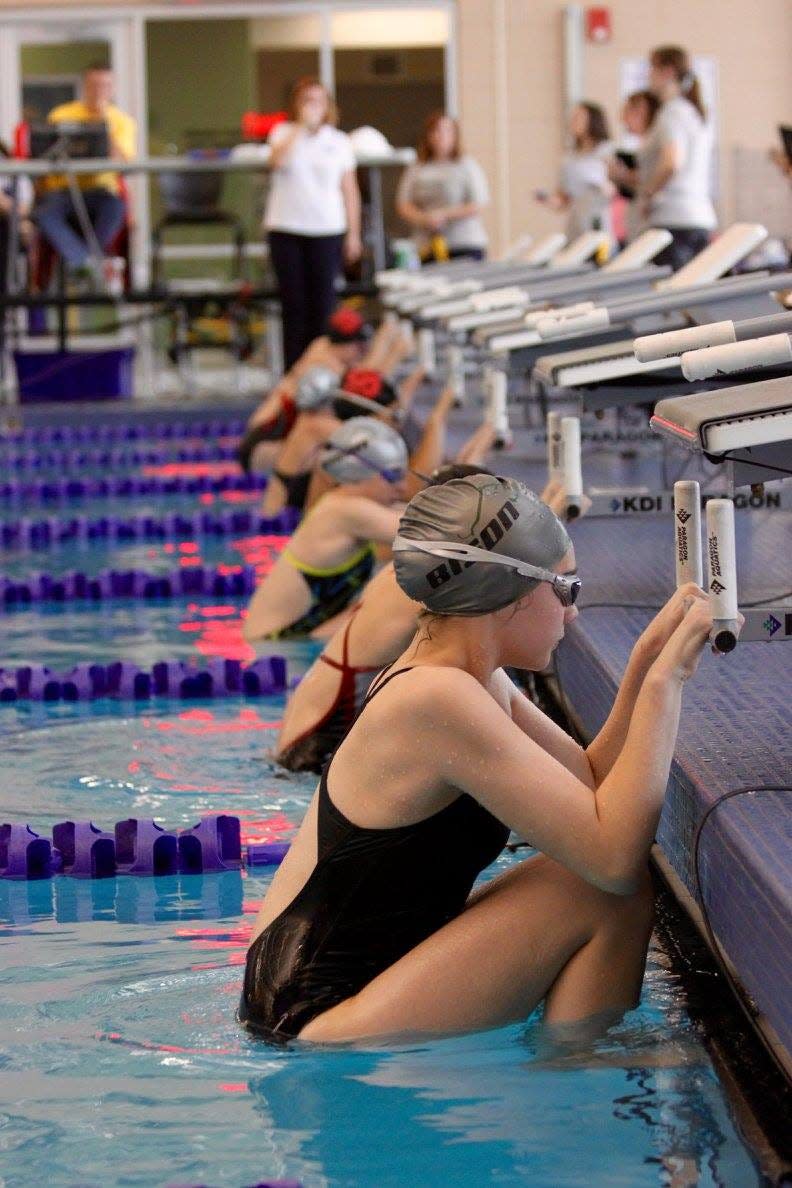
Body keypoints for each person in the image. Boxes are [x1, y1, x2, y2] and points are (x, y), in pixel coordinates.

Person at [240, 472, 726, 1046]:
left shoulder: (470, 678)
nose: (573, 612)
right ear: (512, 595)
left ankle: (577, 1061)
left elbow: (589, 781)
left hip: (330, 983)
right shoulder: (434, 698)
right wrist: (666, 684)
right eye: (566, 587)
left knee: (593, 885)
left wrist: (647, 657)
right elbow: (615, 856)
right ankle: (577, 1074)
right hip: (311, 1011)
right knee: (602, 889)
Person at [242, 417, 409, 641]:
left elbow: (419, 514)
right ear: (359, 472)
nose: (402, 486)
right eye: (393, 476)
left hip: (295, 641)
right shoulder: (343, 511)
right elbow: (425, 531)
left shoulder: (348, 505)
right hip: (275, 649)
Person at [265, 78, 362, 369]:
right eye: (306, 100)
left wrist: (354, 234)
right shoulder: (282, 133)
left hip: (326, 230)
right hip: (286, 228)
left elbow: (350, 190)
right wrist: (299, 128)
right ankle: (292, 373)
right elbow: (275, 162)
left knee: (323, 306)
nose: (313, 106)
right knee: (294, 306)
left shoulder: (339, 142)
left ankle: (320, 369)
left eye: (318, 101)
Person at [237, 311, 406, 477]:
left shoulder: (323, 346)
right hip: (263, 447)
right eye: (360, 346)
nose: (363, 352)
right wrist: (394, 350)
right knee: (346, 464)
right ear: (343, 344)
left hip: (268, 440)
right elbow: (370, 380)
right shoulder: (324, 367)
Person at [33, 64, 135, 284]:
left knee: (116, 205)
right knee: (43, 212)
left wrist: (103, 125)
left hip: (101, 193)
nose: (99, 90)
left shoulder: (121, 121)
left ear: (113, 88)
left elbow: (125, 163)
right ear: (85, 87)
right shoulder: (61, 115)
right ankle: (85, 261)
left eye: (105, 85)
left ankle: (88, 260)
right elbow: (45, 154)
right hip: (62, 192)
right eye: (94, 85)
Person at [636, 46, 716, 271]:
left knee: (671, 296)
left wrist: (647, 194)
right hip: (697, 216)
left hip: (673, 219)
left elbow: (672, 162)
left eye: (651, 68)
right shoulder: (693, 111)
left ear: (668, 71)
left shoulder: (671, 112)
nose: (648, 75)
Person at [396, 112, 489, 263]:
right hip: (428, 244)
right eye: (435, 131)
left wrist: (443, 214)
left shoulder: (466, 165)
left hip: (463, 243)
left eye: (446, 131)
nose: (440, 136)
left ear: (455, 135)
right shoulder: (417, 167)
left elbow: (479, 203)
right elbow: (404, 204)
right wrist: (425, 218)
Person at [536, 103, 613, 248]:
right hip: (576, 225)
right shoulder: (569, 159)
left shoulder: (606, 151)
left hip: (598, 222)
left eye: (578, 117)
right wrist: (547, 199)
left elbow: (617, 188)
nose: (573, 121)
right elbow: (563, 200)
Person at [608, 91, 660, 244]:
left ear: (642, 112)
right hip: (637, 218)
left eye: (627, 112)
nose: (623, 119)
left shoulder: (653, 146)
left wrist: (622, 174)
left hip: (652, 218)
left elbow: (649, 179)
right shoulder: (641, 145)